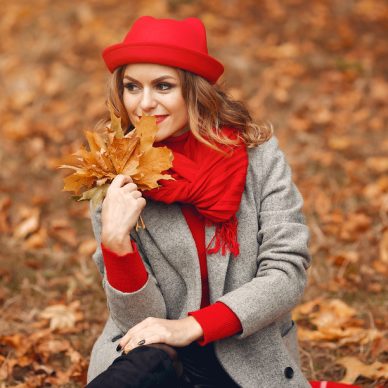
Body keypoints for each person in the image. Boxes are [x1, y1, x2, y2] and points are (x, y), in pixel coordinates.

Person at [86, 16, 312, 387]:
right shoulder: (116, 175)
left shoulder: (258, 160)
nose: (144, 103)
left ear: (194, 90)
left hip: (245, 355)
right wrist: (115, 245)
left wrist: (191, 326)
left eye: (163, 86)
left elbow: (286, 274)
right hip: (158, 359)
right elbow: (137, 323)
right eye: (132, 86)